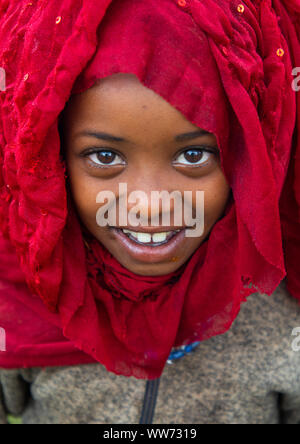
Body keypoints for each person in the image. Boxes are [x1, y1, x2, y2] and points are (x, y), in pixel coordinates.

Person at [0, 0, 299, 424]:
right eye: (104, 157)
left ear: (250, 157)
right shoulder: (15, 296)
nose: (150, 203)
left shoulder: (285, 314)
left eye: (194, 155)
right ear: (48, 163)